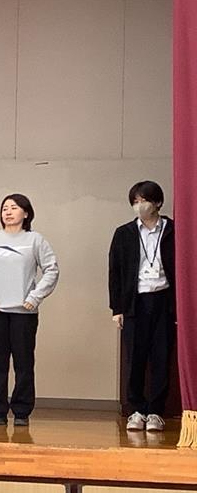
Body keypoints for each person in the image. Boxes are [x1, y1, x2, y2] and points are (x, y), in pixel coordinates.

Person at [0, 194, 59, 426]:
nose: (8, 212)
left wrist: (35, 297)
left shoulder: (35, 240)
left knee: (24, 363)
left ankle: (21, 411)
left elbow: (51, 269)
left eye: (14, 208)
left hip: (24, 313)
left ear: (26, 213)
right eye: (4, 208)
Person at [109, 180, 175, 432]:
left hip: (164, 300)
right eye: (135, 202)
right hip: (135, 302)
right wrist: (117, 308)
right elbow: (114, 272)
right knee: (134, 358)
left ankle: (156, 411)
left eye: (144, 201)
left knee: (161, 357)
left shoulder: (172, 230)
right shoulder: (124, 233)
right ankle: (136, 410)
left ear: (157, 202)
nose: (139, 206)